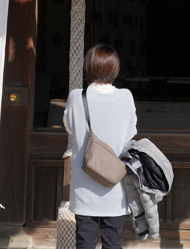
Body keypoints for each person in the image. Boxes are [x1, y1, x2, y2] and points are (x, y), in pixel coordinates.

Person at [63, 44, 138, 249]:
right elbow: (132, 131)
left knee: (84, 241)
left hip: (84, 178)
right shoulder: (125, 96)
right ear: (115, 68)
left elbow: (70, 128)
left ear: (89, 67)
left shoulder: (76, 97)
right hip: (114, 180)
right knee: (113, 241)